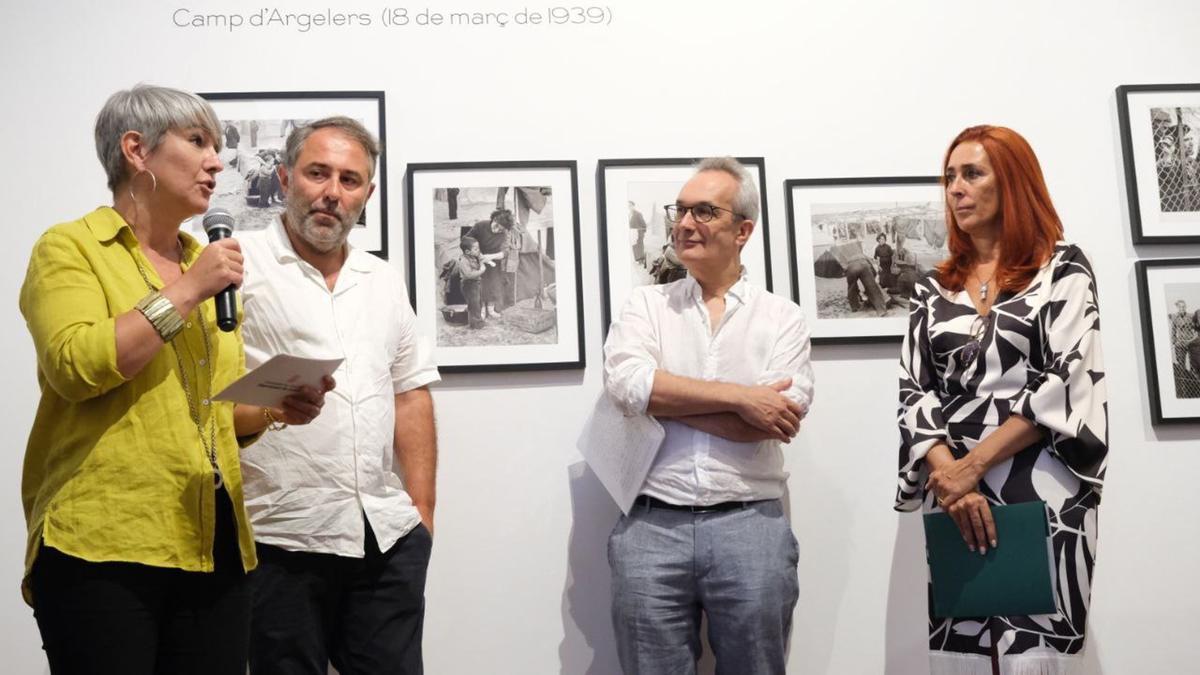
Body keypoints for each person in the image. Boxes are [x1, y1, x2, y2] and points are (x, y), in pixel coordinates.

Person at [18, 84, 329, 675]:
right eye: (197, 142)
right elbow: (76, 366)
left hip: (212, 540)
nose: (217, 161)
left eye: (218, 146)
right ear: (136, 150)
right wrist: (188, 292)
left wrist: (273, 408)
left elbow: (217, 415)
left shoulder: (200, 259)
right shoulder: (71, 248)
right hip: (104, 543)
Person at [896, 125, 1108, 674]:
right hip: (953, 495)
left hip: (1042, 483)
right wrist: (952, 478)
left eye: (972, 174)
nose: (955, 189)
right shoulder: (932, 287)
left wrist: (975, 465)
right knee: (962, 652)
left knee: (1038, 657)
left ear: (1011, 182)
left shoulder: (1063, 267)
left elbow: (1065, 379)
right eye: (949, 177)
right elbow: (914, 389)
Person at [238, 116, 440, 675]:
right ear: (284, 177)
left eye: (350, 180)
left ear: (368, 194)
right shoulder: (237, 267)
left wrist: (421, 513)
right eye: (317, 173)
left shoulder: (382, 279)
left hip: (385, 535)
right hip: (278, 535)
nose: (332, 193)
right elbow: (198, 397)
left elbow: (410, 392)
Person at [603, 157, 813, 674]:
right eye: (680, 210)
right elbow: (630, 387)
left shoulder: (781, 316)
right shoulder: (644, 307)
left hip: (751, 525)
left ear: (743, 230)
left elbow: (779, 417)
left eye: (703, 211)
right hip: (651, 524)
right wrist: (741, 398)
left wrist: (668, 401)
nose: (684, 223)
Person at [467, 208, 514, 317]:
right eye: (496, 226)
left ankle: (491, 309)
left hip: (494, 261)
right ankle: (482, 310)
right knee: (481, 284)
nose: (497, 230)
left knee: (494, 283)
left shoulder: (505, 233)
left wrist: (491, 257)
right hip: (477, 259)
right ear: (493, 219)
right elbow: (466, 239)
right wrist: (476, 253)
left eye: (501, 229)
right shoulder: (480, 226)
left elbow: (505, 252)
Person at [458, 235, 487, 328]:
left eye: (478, 248)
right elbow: (469, 275)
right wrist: (482, 270)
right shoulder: (463, 261)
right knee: (474, 304)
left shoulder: (472, 255)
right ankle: (476, 323)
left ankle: (474, 320)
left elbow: (480, 256)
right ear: (467, 251)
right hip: (469, 285)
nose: (478, 251)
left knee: (478, 302)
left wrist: (482, 260)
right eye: (476, 249)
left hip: (475, 284)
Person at [1170, 300, 1197, 368]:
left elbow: (1196, 328)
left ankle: (1193, 377)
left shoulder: (1190, 316)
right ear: (1178, 308)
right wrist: (1174, 342)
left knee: (1193, 362)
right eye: (1180, 307)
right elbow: (1173, 330)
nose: (1182, 308)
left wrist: (1194, 339)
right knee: (1181, 363)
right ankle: (1183, 377)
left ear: (1186, 307)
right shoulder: (1175, 318)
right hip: (1180, 342)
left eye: (1183, 307)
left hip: (1190, 341)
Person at [629, 200, 648, 266]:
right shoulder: (629, 214)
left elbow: (643, 224)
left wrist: (642, 232)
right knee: (634, 246)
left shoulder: (638, 214)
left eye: (630, 206)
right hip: (632, 233)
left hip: (639, 233)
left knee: (640, 246)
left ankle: (641, 260)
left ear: (633, 206)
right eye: (628, 206)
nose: (629, 207)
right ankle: (637, 259)